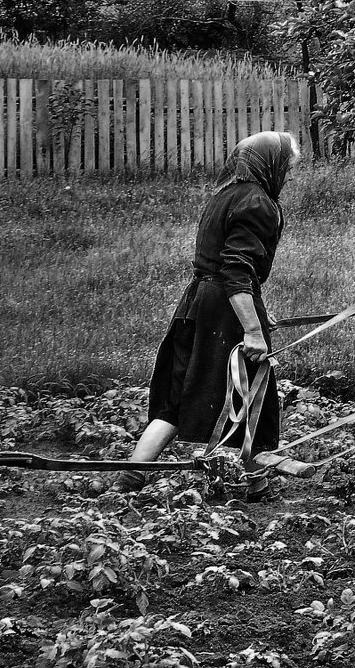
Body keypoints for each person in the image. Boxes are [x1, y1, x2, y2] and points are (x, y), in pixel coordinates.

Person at [113, 131, 301, 501]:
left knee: (177, 397)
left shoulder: (224, 196)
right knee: (251, 396)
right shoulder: (258, 202)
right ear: (271, 165)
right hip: (221, 314)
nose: (290, 175)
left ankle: (130, 478)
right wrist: (252, 327)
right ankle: (258, 485)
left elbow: (223, 267)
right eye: (288, 167)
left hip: (197, 304)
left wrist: (258, 311)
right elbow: (235, 270)